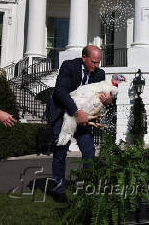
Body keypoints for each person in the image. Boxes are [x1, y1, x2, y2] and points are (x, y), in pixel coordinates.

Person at [45, 45, 113, 203]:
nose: (97, 66)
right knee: (60, 152)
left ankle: (87, 188)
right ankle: (59, 190)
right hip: (63, 114)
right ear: (84, 58)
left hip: (84, 118)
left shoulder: (100, 73)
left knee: (89, 151)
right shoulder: (69, 66)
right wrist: (76, 112)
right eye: (94, 62)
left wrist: (108, 100)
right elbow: (60, 92)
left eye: (99, 62)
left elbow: (103, 96)